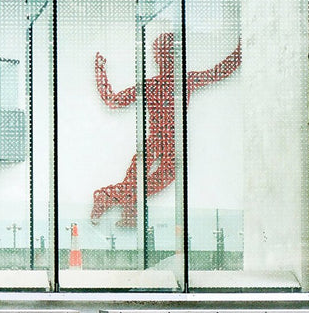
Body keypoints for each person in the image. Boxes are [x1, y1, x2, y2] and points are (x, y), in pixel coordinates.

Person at [90, 32, 241, 227]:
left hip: (158, 143)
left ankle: (119, 207)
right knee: (143, 180)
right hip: (168, 144)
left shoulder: (158, 85)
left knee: (138, 180)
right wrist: (240, 51)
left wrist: (100, 71)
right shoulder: (180, 82)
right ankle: (114, 203)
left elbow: (113, 100)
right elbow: (219, 71)